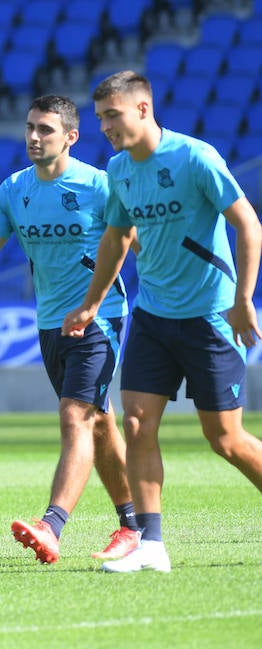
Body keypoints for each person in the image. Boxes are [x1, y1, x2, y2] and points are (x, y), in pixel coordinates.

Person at [0, 95, 140, 565]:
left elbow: (136, 242)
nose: (34, 138)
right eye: (30, 128)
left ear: (71, 137)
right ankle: (133, 525)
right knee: (99, 423)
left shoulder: (98, 186)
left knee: (74, 416)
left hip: (99, 318)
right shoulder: (14, 189)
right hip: (49, 323)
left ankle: (51, 526)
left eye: (46, 130)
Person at [63, 71, 262, 573]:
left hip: (209, 315)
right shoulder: (118, 169)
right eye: (100, 117)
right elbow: (116, 237)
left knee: (225, 439)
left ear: (143, 109)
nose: (105, 126)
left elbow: (248, 223)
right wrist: (91, 303)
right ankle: (151, 545)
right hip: (153, 315)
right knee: (135, 422)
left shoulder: (194, 157)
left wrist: (243, 298)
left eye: (113, 115)